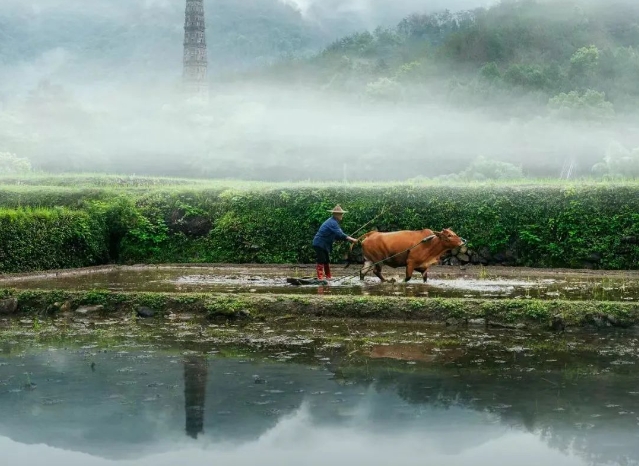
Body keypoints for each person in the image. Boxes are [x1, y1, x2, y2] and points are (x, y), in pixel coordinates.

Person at [312, 205, 358, 280]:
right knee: (321, 260)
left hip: (323, 244)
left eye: (342, 214)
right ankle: (320, 278)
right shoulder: (332, 222)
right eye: (340, 214)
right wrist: (352, 239)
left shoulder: (333, 222)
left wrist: (347, 239)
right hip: (319, 243)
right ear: (336, 215)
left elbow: (338, 236)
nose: (342, 215)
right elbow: (340, 234)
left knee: (326, 260)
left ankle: (328, 277)